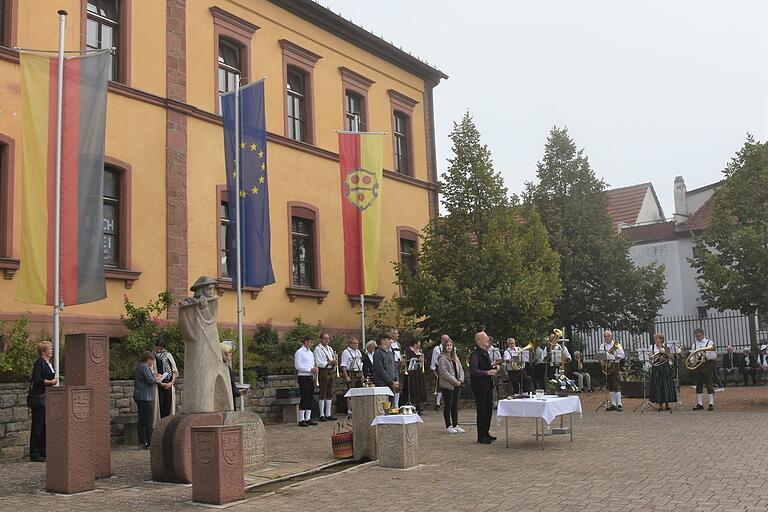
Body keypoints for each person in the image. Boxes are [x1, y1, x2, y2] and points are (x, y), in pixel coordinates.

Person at [28, 340, 57, 462]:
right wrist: (51, 382)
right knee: (38, 426)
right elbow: (36, 379)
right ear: (43, 351)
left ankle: (44, 451)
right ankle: (35, 454)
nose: (52, 351)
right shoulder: (40, 363)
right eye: (50, 349)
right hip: (39, 398)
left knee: (45, 426)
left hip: (46, 398)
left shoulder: (48, 363)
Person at [469, 331, 498, 444]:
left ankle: (486, 432)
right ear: (479, 340)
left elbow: (486, 367)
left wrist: (494, 368)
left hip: (487, 385)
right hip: (479, 386)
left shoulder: (485, 353)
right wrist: (487, 372)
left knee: (488, 410)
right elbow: (474, 370)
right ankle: (481, 436)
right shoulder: (475, 354)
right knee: (482, 411)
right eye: (485, 338)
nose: (488, 340)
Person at [134, 351, 163, 449]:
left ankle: (142, 442)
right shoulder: (144, 367)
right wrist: (158, 377)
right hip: (146, 397)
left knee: (142, 420)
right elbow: (150, 380)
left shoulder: (140, 366)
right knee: (149, 420)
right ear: (148, 360)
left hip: (139, 396)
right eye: (153, 360)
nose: (153, 362)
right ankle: (150, 442)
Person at [437, 339, 465, 434]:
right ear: (444, 347)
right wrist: (454, 381)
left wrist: (460, 380)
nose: (449, 347)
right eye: (447, 345)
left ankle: (455, 424)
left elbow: (461, 369)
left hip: (457, 384)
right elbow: (444, 373)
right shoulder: (442, 358)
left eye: (451, 345)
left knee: (455, 405)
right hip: (448, 385)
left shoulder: (455, 357)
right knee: (448, 405)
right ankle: (448, 425)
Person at [295, 336, 318, 427]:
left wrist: (314, 371)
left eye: (313, 342)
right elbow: (298, 366)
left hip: (310, 376)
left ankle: (308, 418)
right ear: (306, 342)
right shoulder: (299, 352)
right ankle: (301, 419)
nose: (312, 344)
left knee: (310, 397)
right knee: (304, 397)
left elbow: (312, 364)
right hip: (303, 376)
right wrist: (310, 369)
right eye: (311, 342)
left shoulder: (311, 353)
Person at [649, 333, 676, 411]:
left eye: (657, 339)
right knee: (658, 385)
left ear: (661, 339)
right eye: (655, 339)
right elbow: (651, 360)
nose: (656, 340)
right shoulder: (653, 348)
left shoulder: (666, 347)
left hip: (665, 368)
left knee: (666, 385)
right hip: (656, 368)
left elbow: (672, 357)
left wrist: (665, 353)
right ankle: (660, 403)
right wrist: (651, 357)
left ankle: (667, 403)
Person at [691, 328, 717, 410]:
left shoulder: (709, 343)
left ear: (702, 334)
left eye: (698, 336)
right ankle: (700, 404)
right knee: (698, 384)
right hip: (698, 365)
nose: (697, 338)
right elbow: (692, 356)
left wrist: (705, 354)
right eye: (696, 336)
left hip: (707, 364)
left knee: (709, 383)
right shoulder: (694, 345)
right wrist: (693, 360)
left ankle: (711, 403)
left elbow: (714, 356)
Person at [314, 332, 337, 422]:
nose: (327, 340)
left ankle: (328, 413)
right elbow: (318, 362)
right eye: (325, 338)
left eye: (328, 338)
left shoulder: (330, 349)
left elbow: (332, 359)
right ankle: (321, 414)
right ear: (321, 339)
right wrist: (329, 362)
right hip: (323, 370)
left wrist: (334, 363)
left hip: (330, 370)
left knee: (330, 392)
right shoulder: (318, 349)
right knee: (323, 392)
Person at [601, 330, 625, 412]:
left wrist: (614, 356)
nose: (606, 338)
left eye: (608, 336)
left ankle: (619, 404)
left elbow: (622, 354)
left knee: (616, 384)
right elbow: (599, 355)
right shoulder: (602, 346)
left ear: (611, 336)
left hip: (614, 365)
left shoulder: (616, 345)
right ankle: (613, 404)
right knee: (610, 385)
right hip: (606, 366)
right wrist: (601, 360)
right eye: (605, 336)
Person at [154, 340, 178, 419]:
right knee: (160, 407)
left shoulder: (168, 356)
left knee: (168, 406)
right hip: (159, 385)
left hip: (169, 384)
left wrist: (171, 382)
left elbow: (174, 370)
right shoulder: (153, 357)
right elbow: (153, 372)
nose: (159, 351)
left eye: (161, 349)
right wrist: (161, 384)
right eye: (158, 348)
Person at [341, 337, 364, 414]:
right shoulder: (346, 352)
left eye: (357, 343)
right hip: (351, 372)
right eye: (355, 343)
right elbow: (343, 365)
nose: (357, 345)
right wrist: (346, 376)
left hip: (359, 372)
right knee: (351, 391)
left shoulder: (358, 352)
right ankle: (350, 409)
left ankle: (358, 408)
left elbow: (361, 363)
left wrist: (362, 374)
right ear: (350, 344)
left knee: (360, 390)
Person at [220, 343, 245, 410]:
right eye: (228, 352)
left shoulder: (222, 366)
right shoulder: (225, 368)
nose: (230, 354)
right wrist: (238, 392)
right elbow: (231, 384)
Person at [405, 339, 426, 414]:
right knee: (413, 388)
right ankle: (412, 404)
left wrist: (422, 360)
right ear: (415, 344)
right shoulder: (408, 350)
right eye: (418, 344)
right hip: (412, 373)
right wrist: (417, 359)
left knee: (419, 388)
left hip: (418, 372)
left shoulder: (420, 351)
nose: (419, 345)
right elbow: (407, 360)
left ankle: (419, 405)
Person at [430, 335, 449, 411]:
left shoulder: (449, 347)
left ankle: (447, 401)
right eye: (445, 340)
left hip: (448, 367)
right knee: (439, 385)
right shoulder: (437, 349)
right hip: (439, 367)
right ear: (441, 340)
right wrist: (433, 369)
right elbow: (433, 359)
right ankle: (438, 403)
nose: (446, 341)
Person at [390, 329, 403, 407]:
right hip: (393, 363)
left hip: (399, 363)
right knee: (393, 384)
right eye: (396, 333)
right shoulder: (390, 343)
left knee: (398, 385)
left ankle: (397, 405)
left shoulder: (398, 343)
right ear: (392, 334)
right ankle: (393, 404)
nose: (398, 335)